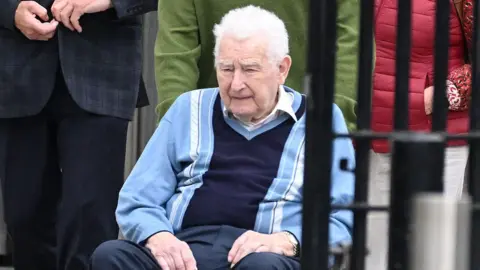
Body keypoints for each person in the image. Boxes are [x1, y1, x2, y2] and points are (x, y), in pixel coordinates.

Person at [90, 6, 355, 270]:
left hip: (266, 255)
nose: (236, 84)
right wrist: (158, 236)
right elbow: (137, 198)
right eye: (227, 69)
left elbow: (344, 217)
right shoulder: (188, 109)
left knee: (261, 267)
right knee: (110, 255)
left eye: (250, 69)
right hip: (185, 251)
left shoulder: (320, 120)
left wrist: (287, 241)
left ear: (282, 69)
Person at [0, 0, 156, 269]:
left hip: (104, 67)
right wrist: (8, 10)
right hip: (15, 71)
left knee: (89, 219)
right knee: (24, 218)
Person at [367, 0, 472, 269]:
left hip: (440, 135)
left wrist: (438, 96)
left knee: (432, 250)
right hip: (373, 132)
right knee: (375, 251)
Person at [154, 0, 360, 132]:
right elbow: (177, 51)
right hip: (213, 126)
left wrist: (334, 122)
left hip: (305, 122)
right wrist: (178, 130)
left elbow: (350, 42)